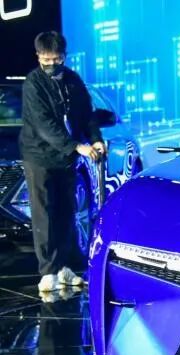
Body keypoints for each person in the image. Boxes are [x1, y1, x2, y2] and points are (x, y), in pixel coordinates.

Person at [19, 31, 106, 292]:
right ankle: (48, 272)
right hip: (39, 156)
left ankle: (64, 268)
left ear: (64, 56)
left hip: (66, 158)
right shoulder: (33, 84)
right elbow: (44, 124)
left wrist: (96, 139)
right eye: (46, 59)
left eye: (56, 59)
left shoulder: (73, 80)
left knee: (67, 213)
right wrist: (76, 146)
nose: (51, 64)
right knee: (44, 214)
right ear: (38, 56)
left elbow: (87, 114)